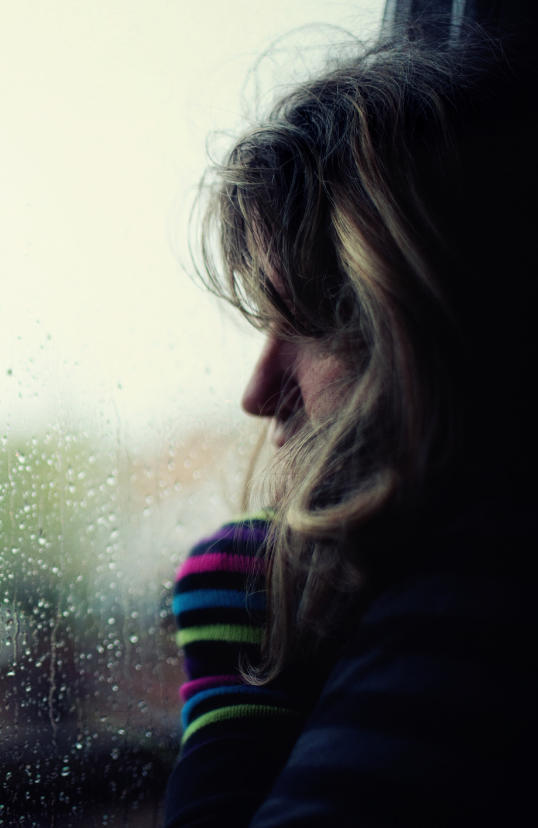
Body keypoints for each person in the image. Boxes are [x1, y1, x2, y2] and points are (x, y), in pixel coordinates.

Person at [164, 34, 538, 826]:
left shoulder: (482, 600)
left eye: (318, 318)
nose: (260, 394)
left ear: (442, 323)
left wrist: (232, 689)